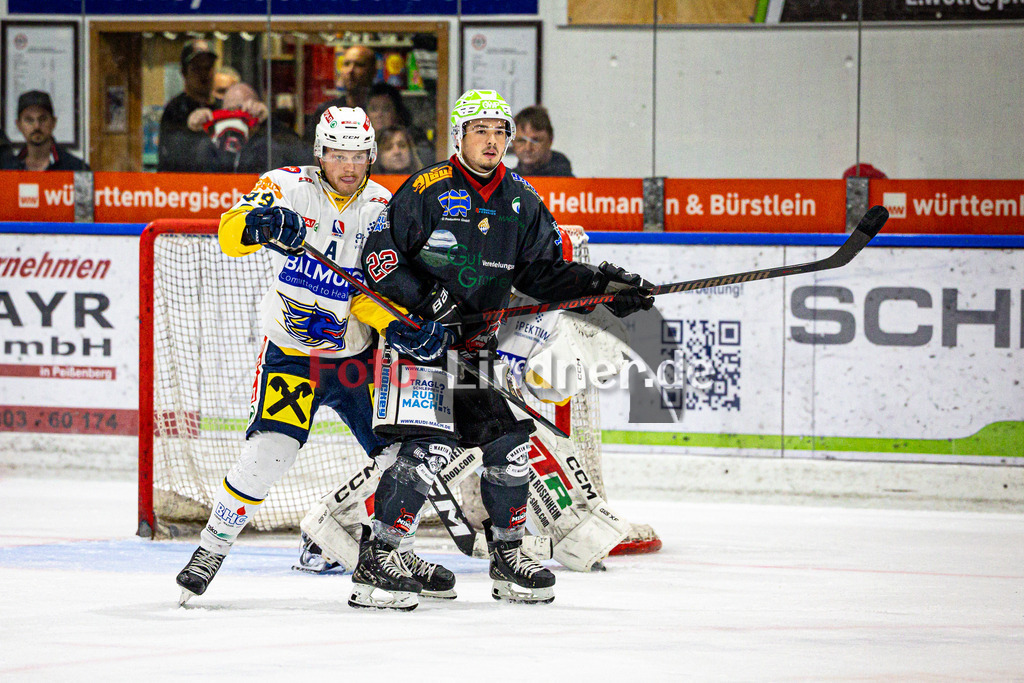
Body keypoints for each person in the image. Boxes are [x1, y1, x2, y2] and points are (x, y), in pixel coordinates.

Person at [355, 89, 653, 609]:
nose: (491, 141)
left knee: (509, 446)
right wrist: (428, 299)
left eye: (499, 132)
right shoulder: (425, 189)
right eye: (480, 131)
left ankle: (509, 556)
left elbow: (543, 273)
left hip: (473, 348)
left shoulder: (522, 198)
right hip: (417, 343)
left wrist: (605, 290)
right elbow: (378, 258)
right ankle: (378, 558)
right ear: (459, 136)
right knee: (426, 450)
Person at [174, 105, 455, 606]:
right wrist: (260, 222)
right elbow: (229, 234)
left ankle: (392, 553)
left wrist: (398, 326)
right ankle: (210, 550)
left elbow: (372, 289)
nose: (349, 166)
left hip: (355, 360)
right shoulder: (285, 185)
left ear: (371, 156)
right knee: (269, 454)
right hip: (293, 357)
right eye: (338, 155)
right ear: (320, 153)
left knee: (402, 457)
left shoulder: (381, 206)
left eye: (359, 156)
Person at [199, 82, 314, 174]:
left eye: (240, 110)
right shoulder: (217, 144)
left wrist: (268, 122)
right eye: (229, 112)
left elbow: (303, 155)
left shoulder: (269, 142)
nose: (235, 118)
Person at [158, 39, 223, 172]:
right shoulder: (175, 109)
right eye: (197, 68)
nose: (203, 74)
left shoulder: (222, 106)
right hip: (186, 187)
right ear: (184, 72)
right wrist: (188, 130)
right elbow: (168, 156)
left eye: (208, 67)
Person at [0, 91, 89, 171]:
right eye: (29, 120)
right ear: (18, 125)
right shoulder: (7, 170)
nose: (36, 126)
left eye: (42, 119)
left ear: (53, 122)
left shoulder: (76, 168)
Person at [307, 45, 376, 142]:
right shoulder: (327, 112)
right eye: (346, 64)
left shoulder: (380, 112)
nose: (350, 71)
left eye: (359, 65)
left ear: (372, 71)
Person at [511, 105, 573, 177]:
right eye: (521, 141)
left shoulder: (567, 182)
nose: (528, 148)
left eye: (535, 141)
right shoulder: (507, 182)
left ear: (550, 140)